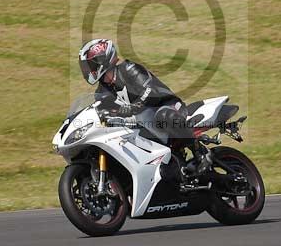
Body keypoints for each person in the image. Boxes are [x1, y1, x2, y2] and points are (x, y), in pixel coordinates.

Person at [78, 38, 209, 181]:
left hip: (167, 106)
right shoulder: (103, 90)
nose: (89, 70)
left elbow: (149, 91)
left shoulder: (128, 69)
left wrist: (134, 107)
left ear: (103, 59)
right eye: (86, 67)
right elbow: (99, 109)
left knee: (164, 115)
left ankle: (199, 152)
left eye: (90, 65)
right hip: (144, 122)